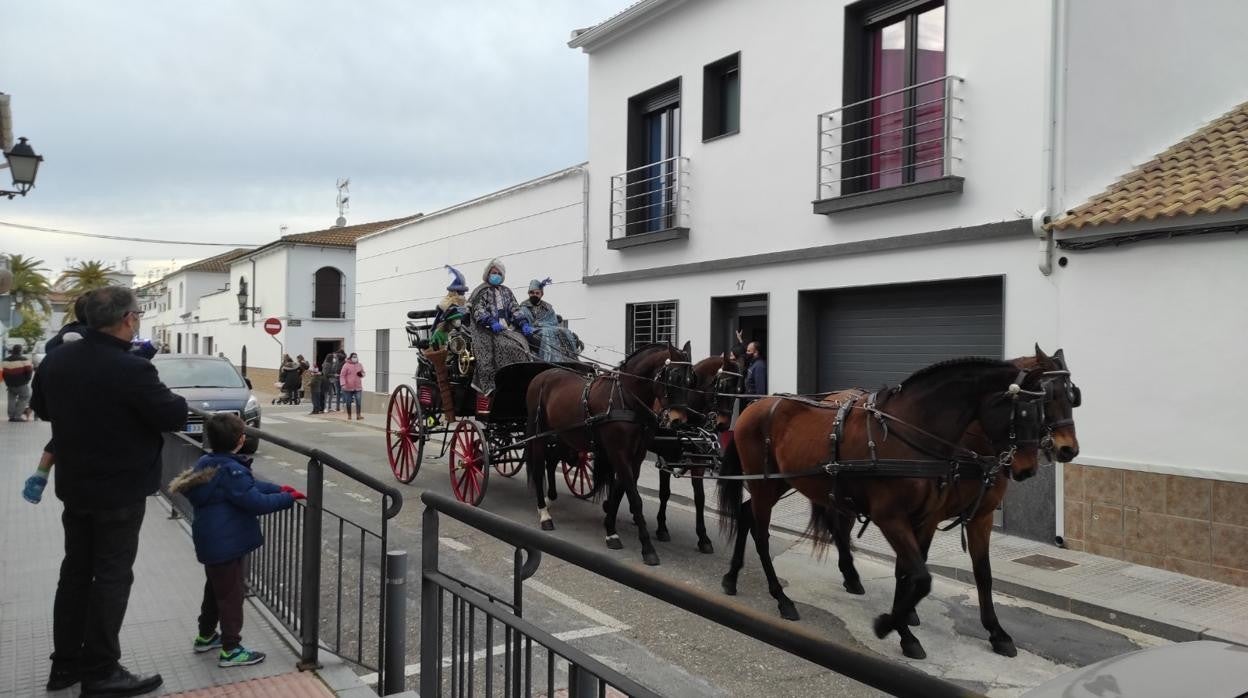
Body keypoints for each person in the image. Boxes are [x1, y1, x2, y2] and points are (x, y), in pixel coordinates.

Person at [30, 286, 188, 696]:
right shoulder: (131, 368)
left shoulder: (57, 358)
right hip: (119, 489)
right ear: (128, 320)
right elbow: (172, 413)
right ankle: (101, 670)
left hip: (75, 485)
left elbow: (43, 409)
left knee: (76, 574)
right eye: (137, 314)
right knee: (112, 577)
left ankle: (64, 666)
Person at [169, 413, 301, 669]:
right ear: (241, 440)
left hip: (212, 542)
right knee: (231, 595)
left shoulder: (209, 463)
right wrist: (287, 499)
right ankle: (231, 648)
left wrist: (277, 488)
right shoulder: (233, 470)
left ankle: (205, 635)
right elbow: (254, 501)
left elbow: (247, 488)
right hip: (227, 544)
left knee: (214, 590)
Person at [23, 293, 93, 504]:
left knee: (60, 439)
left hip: (61, 409)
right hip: (85, 410)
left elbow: (39, 399)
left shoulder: (61, 337)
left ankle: (41, 474)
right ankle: (40, 474)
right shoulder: (95, 339)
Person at [466, 258, 532, 395]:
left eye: (498, 273)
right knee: (507, 347)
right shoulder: (481, 290)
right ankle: (495, 384)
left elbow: (515, 309)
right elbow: (478, 310)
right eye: (493, 272)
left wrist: (523, 322)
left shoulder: (506, 291)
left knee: (522, 344)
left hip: (506, 328)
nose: (495, 275)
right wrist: (490, 322)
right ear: (488, 274)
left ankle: (521, 381)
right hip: (487, 329)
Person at [517, 278, 583, 363]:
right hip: (531, 330)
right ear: (528, 293)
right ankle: (549, 360)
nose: (534, 295)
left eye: (537, 293)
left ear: (541, 294)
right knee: (547, 332)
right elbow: (523, 321)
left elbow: (554, 322)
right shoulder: (523, 307)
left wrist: (541, 324)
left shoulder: (548, 307)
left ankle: (570, 359)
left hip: (547, 327)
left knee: (565, 331)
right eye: (532, 292)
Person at [4, 343, 33, 421]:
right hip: (21, 383)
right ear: (20, 351)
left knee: (11, 399)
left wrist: (7, 382)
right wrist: (27, 380)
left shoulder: (5, 360)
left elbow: (3, 372)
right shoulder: (24, 359)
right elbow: (29, 371)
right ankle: (17, 416)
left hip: (10, 384)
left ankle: (11, 416)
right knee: (25, 397)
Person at [339, 352, 365, 420]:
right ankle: (349, 415)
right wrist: (343, 384)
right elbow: (342, 375)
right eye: (353, 357)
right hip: (348, 387)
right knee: (348, 401)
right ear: (350, 358)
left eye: (356, 357)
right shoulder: (346, 365)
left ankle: (358, 415)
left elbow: (363, 373)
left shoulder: (359, 365)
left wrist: (361, 374)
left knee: (358, 401)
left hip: (358, 387)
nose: (355, 358)